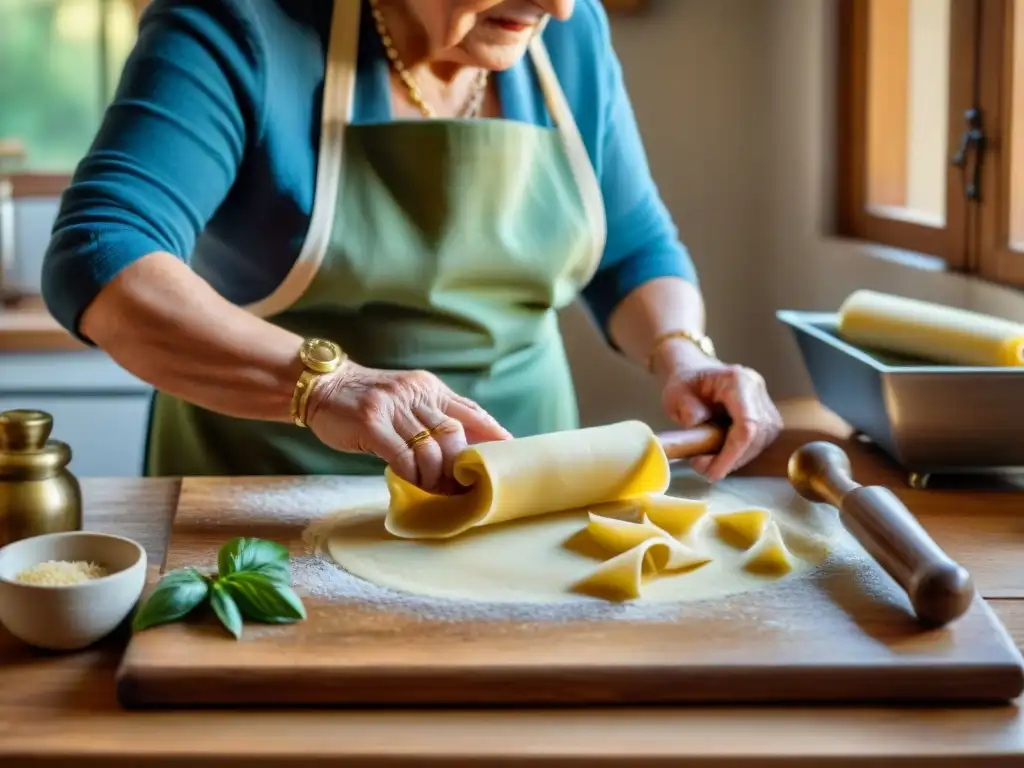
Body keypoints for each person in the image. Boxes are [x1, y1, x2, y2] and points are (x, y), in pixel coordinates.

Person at [41, 0, 782, 494]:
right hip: (266, 505)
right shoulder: (239, 21)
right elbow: (102, 250)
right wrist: (328, 385)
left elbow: (633, 247)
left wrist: (685, 351)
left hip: (522, 494)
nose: (557, 4)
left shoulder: (570, 30)